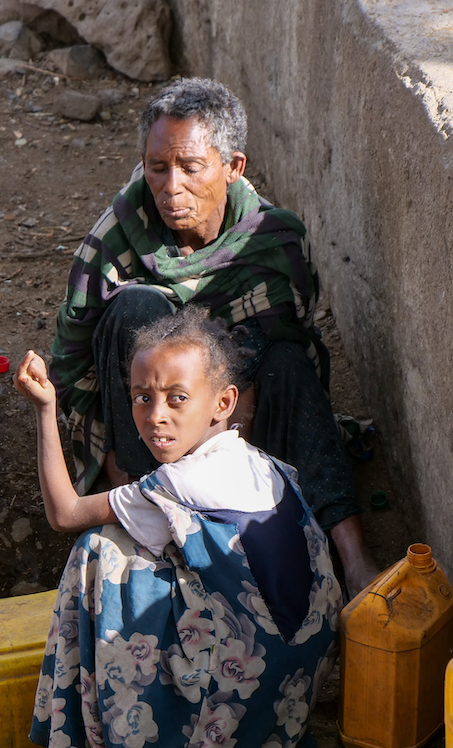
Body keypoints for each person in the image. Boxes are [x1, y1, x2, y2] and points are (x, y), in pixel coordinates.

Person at [48, 77, 378, 596]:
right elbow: (71, 360)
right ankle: (142, 517)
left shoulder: (275, 240)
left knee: (289, 362)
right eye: (157, 168)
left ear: (233, 167)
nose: (170, 187)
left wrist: (229, 411)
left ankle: (353, 559)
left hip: (242, 425)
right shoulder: (115, 238)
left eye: (190, 168)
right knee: (139, 308)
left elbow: (296, 332)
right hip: (147, 424)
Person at [15, 306, 343, 748]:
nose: (155, 416)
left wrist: (45, 408)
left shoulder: (180, 480)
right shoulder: (259, 462)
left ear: (223, 402)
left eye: (177, 398)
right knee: (145, 545)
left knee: (98, 551)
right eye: (141, 398)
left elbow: (64, 513)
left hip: (242, 686)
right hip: (297, 678)